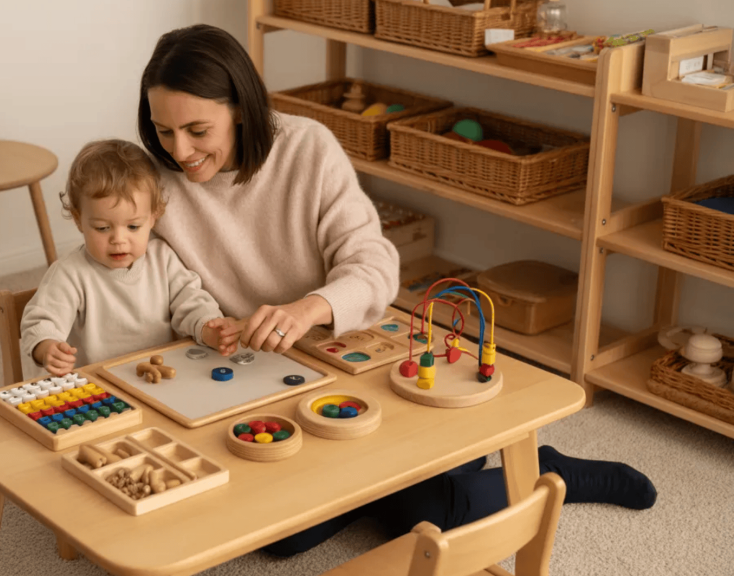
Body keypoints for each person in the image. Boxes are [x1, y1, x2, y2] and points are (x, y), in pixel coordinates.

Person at [137, 24, 657, 556]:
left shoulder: (305, 147)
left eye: (198, 130)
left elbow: (375, 265)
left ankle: (550, 472)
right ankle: (414, 466)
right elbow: (120, 259)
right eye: (163, 131)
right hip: (267, 376)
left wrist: (310, 308)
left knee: (424, 515)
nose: (180, 151)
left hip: (354, 355)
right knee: (285, 537)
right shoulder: (155, 182)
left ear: (241, 108)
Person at [20, 139, 240, 376]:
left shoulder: (162, 260)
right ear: (78, 219)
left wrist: (208, 326)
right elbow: (42, 322)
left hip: (157, 376)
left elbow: (191, 301)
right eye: (103, 228)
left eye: (133, 226)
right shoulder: (69, 273)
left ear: (154, 217)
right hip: (96, 390)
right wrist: (47, 347)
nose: (118, 240)